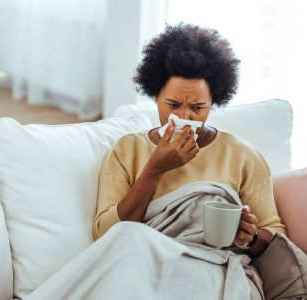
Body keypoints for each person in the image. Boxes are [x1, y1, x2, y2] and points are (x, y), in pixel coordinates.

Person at [93, 23, 286, 258]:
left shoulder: (243, 156)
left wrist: (250, 237)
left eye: (197, 107)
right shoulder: (128, 150)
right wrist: (155, 168)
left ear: (214, 101)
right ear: (155, 96)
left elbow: (276, 236)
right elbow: (104, 235)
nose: (185, 117)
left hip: (215, 271)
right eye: (173, 105)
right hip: (144, 267)